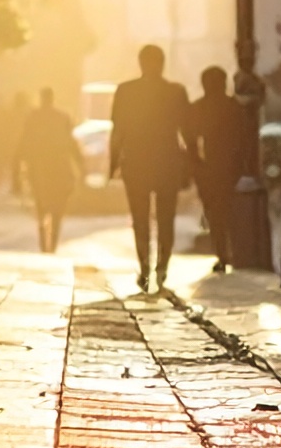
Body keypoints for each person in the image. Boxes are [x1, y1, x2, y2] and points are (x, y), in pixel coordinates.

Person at [107, 44, 193, 291]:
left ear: (141, 63)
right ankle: (161, 269)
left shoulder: (125, 91)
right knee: (166, 218)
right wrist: (189, 167)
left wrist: (113, 164)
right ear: (162, 63)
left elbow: (118, 131)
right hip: (168, 162)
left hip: (136, 162)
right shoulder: (176, 92)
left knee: (140, 219)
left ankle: (145, 269)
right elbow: (186, 132)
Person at [187, 65, 261, 271]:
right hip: (232, 168)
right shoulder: (234, 108)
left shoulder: (198, 108)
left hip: (208, 168)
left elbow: (190, 140)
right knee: (229, 212)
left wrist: (195, 164)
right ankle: (231, 253)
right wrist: (248, 166)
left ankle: (223, 253)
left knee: (215, 213)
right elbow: (247, 140)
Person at [14, 88, 85, 253]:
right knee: (57, 208)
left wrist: (16, 170)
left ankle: (44, 241)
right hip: (58, 168)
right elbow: (71, 143)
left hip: (40, 169)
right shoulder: (61, 117)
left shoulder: (34, 117)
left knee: (41, 205)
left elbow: (23, 143)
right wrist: (81, 164)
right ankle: (51, 243)